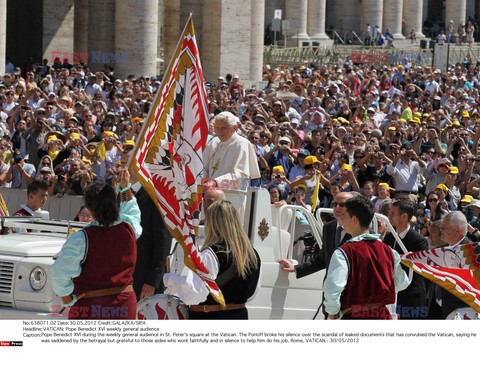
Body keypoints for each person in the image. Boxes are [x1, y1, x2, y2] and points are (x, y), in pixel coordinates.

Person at [52, 170, 142, 319]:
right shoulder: (129, 228)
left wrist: (66, 298)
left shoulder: (81, 238)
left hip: (91, 306)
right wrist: (125, 187)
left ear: (90, 209)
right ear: (114, 202)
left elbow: (59, 274)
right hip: (125, 304)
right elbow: (132, 210)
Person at [163, 200, 261, 319]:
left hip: (210, 317)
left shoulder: (212, 253)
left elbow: (194, 293)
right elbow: (252, 294)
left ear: (212, 223)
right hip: (239, 316)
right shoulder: (252, 253)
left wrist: (171, 279)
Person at [324, 195, 410, 319]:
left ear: (354, 219)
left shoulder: (343, 252)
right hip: (382, 316)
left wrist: (332, 312)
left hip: (355, 317)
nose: (342, 220)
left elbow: (333, 288)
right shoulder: (389, 251)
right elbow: (402, 283)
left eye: (345, 216)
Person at [384, 201, 428, 319]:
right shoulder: (388, 238)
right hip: (392, 297)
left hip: (412, 298)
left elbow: (421, 270)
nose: (389, 216)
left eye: (392, 213)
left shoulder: (419, 241)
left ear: (404, 216)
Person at [203, 111, 260, 188]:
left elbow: (241, 175)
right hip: (210, 193)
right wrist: (204, 180)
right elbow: (203, 166)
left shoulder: (242, 144)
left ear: (235, 128)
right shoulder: (214, 141)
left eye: (223, 128)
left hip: (232, 195)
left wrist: (216, 183)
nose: (219, 132)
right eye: (217, 127)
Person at [438, 211, 470, 318]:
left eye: (444, 227)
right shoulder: (440, 250)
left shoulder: (472, 253)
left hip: (463, 313)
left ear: (457, 230)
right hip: (443, 310)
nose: (440, 230)